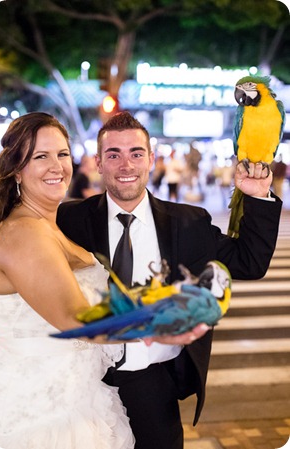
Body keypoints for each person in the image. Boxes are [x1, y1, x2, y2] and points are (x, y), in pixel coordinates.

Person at [56, 111, 282, 449]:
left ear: (151, 160)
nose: (126, 164)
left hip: (155, 384)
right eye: (113, 154)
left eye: (136, 153)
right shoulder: (68, 219)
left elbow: (250, 261)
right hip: (83, 383)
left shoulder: (188, 223)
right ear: (99, 164)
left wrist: (256, 195)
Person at [0, 112, 135, 449]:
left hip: (77, 400)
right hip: (41, 418)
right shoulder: (25, 232)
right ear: (16, 170)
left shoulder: (53, 222)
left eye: (62, 154)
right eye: (41, 156)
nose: (57, 166)